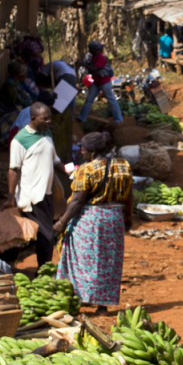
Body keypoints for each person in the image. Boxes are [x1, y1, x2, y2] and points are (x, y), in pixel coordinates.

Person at [54, 130, 133, 314]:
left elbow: (77, 201)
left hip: (90, 220)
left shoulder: (87, 169)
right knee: (107, 261)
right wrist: (128, 216)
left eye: (83, 149)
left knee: (83, 260)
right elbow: (129, 195)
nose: (81, 152)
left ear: (92, 151)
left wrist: (61, 222)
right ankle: (102, 305)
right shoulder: (123, 166)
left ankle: (81, 298)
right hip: (114, 218)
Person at [7, 102, 58, 266]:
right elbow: (14, 169)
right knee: (47, 235)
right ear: (33, 118)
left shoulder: (47, 134)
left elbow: (54, 159)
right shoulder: (20, 139)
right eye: (44, 119)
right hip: (32, 196)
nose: (48, 121)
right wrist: (10, 197)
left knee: (37, 235)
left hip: (46, 193)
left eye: (50, 118)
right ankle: (43, 272)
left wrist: (69, 169)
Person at [77, 41, 121, 124]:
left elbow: (94, 68)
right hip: (96, 82)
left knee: (111, 100)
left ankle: (118, 119)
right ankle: (82, 117)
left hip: (104, 82)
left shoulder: (101, 57)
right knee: (89, 99)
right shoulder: (93, 57)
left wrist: (84, 64)